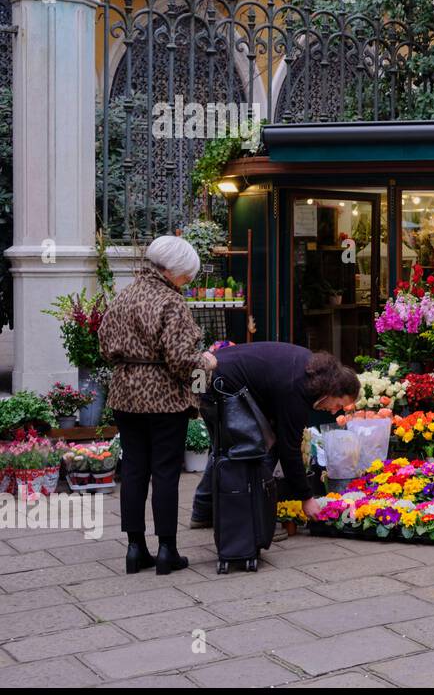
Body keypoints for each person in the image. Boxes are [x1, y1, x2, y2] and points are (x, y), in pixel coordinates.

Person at [98, 236, 218, 575]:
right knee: (165, 471)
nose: (189, 282)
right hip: (163, 398)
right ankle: (167, 550)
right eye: (187, 275)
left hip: (125, 394)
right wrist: (206, 364)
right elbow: (182, 361)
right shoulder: (172, 303)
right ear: (173, 271)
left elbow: (105, 346)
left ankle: (135, 549)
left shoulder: (124, 296)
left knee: (134, 469)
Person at [190, 343, 359, 528]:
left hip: (214, 376)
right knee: (240, 451)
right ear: (331, 390)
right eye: (338, 404)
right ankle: (245, 520)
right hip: (217, 384)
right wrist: (306, 498)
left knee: (226, 449)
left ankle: (207, 512)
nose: (335, 412)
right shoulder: (297, 389)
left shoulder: (312, 369)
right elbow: (290, 449)